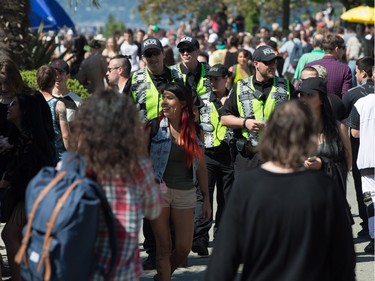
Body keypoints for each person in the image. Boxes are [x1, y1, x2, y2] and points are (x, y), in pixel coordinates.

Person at [205, 100, 356, 281]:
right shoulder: (324, 187)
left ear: (269, 135)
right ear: (309, 139)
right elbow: (343, 259)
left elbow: (222, 262)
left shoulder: (246, 186)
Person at [68, 89, 161, 281]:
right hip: (121, 268)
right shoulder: (138, 165)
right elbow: (153, 210)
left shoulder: (73, 164)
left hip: (80, 266)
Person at [149, 82, 211, 281]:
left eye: (169, 98)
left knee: (184, 248)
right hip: (158, 193)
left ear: (183, 103)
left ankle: (162, 275)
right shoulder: (154, 127)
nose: (164, 102)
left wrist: (207, 199)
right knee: (164, 247)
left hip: (185, 192)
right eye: (163, 97)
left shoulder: (195, 130)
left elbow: (201, 167)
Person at [130, 37, 174, 269]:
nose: (153, 58)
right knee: (149, 198)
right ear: (143, 58)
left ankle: (172, 248)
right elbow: (125, 110)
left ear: (163, 54)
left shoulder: (176, 77)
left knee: (173, 196)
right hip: (145, 147)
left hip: (173, 145)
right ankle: (152, 249)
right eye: (148, 54)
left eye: (156, 53)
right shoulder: (136, 79)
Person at [1, 93, 53, 281]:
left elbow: (22, 170)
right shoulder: (22, 136)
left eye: (13, 104)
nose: (9, 107)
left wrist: (5, 182)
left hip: (35, 196)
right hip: (31, 195)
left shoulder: (29, 138)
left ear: (23, 111)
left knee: (10, 234)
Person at [220, 45, 294, 174]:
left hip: (277, 154)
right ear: (256, 64)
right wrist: (245, 123)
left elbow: (299, 118)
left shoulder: (287, 86)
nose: (272, 65)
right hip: (248, 157)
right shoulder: (240, 87)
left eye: (274, 62)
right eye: (267, 62)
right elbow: (224, 118)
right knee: (246, 194)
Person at [193, 64, 234, 255]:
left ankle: (222, 238)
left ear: (226, 78)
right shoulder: (202, 100)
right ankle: (200, 238)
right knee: (204, 195)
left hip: (229, 155)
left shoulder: (234, 99)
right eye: (210, 79)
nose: (213, 82)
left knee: (226, 199)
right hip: (207, 155)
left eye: (217, 78)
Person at [297, 77, 351, 195]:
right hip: (304, 195)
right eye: (302, 95)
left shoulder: (338, 128)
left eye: (310, 95)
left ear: (321, 99)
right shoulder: (295, 128)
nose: (304, 99)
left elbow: (347, 162)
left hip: (331, 195)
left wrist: (323, 164)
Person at [343, 57, 374, 240]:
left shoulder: (354, 96)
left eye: (356, 72)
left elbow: (350, 128)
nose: (355, 75)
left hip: (362, 153)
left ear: (364, 73)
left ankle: (369, 228)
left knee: (366, 193)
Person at [36, 65, 70, 163]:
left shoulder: (29, 101)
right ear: (53, 81)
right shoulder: (58, 105)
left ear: (37, 81)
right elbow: (66, 136)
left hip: (35, 155)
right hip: (56, 157)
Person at [305, 33, 352, 99]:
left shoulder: (309, 66)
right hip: (334, 108)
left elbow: (300, 90)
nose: (344, 51)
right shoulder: (345, 69)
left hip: (311, 107)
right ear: (337, 49)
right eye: (343, 48)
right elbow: (346, 97)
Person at [50, 59, 82, 124]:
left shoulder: (77, 101)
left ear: (68, 76)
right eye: (54, 73)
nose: (57, 76)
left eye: (60, 73)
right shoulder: (45, 97)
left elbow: (81, 127)